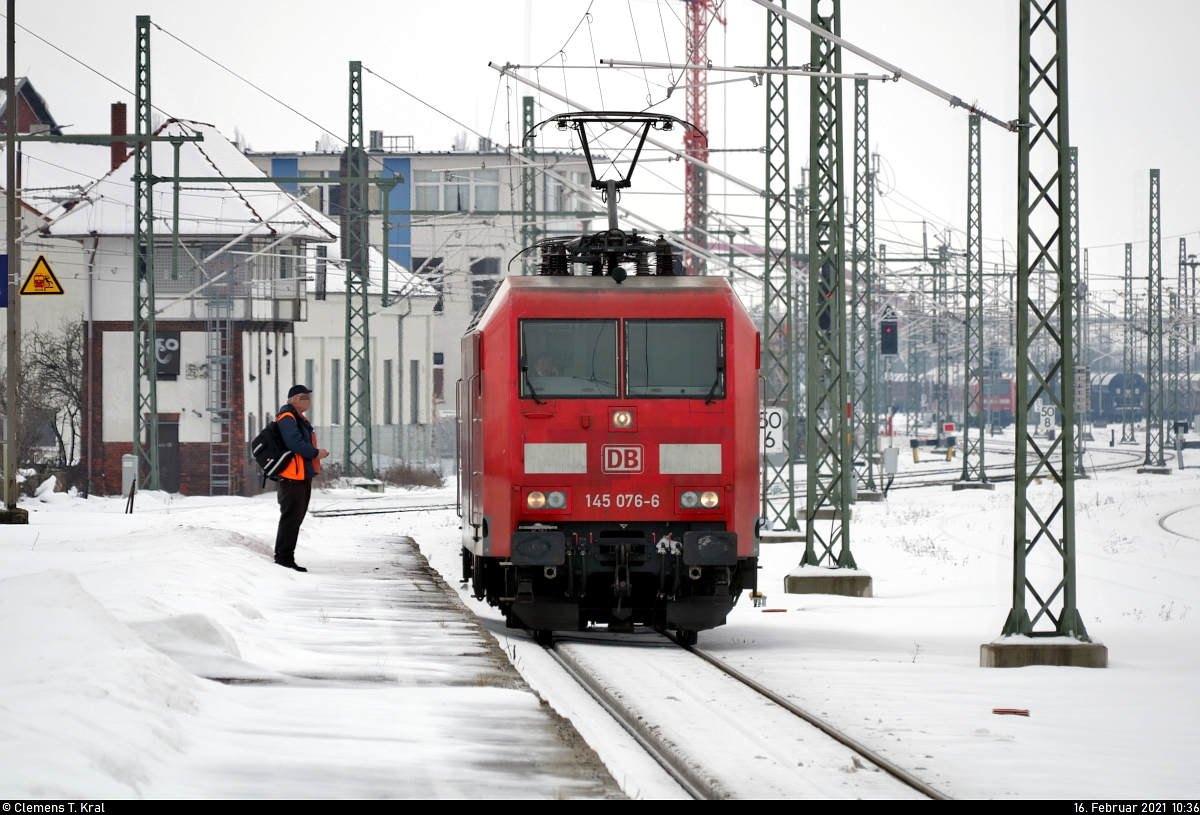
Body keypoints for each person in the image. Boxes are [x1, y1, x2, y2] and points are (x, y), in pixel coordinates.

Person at [274, 385, 330, 572]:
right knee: (291, 518)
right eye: (306, 398)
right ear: (296, 399)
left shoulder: (297, 418)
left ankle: (285, 556)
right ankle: (284, 558)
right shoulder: (288, 418)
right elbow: (295, 443)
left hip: (299, 475)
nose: (310, 401)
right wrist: (316, 453)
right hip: (292, 477)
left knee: (295, 518)